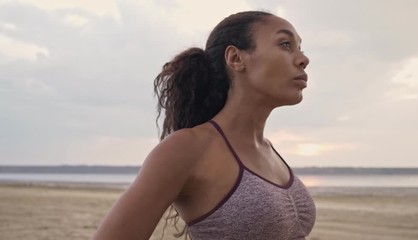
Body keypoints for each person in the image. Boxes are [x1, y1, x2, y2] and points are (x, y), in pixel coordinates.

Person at [93, 10, 316, 240]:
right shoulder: (187, 148)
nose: (303, 59)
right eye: (286, 44)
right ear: (236, 59)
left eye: (300, 48)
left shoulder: (269, 151)